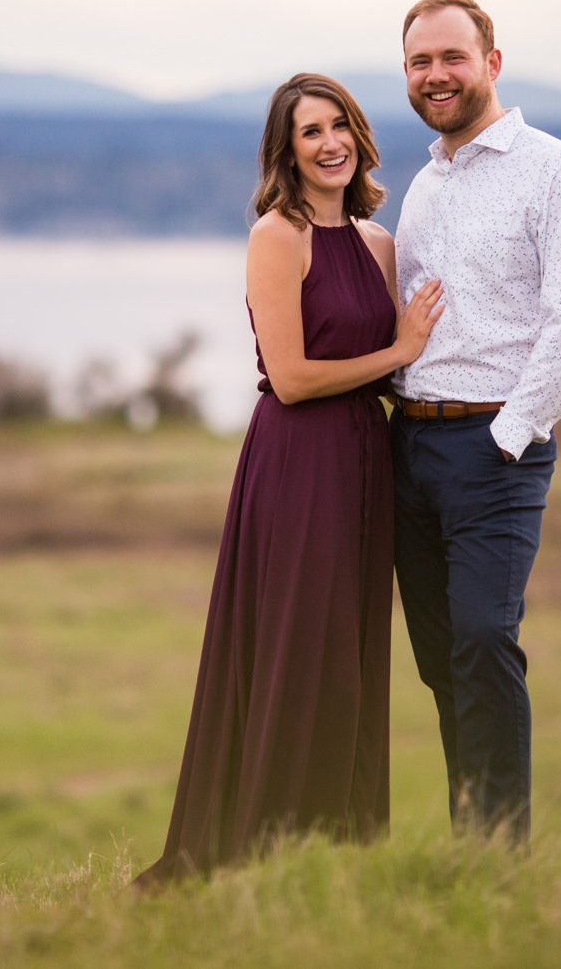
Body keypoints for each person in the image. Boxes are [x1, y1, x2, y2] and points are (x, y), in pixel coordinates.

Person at [136, 74, 444, 883]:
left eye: (340, 125)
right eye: (311, 132)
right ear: (287, 150)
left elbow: (396, 363)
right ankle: (259, 847)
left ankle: (337, 851)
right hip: (298, 460)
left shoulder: (380, 243)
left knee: (347, 650)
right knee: (293, 647)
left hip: (365, 466)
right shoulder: (279, 235)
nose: (330, 142)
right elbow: (295, 375)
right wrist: (400, 352)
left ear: (361, 135)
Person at [389, 0, 561, 843]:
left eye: (452, 57)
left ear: (493, 62)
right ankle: (469, 842)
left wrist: (508, 436)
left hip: (494, 449)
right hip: (409, 443)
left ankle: (501, 858)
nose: (436, 75)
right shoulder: (423, 184)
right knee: (445, 663)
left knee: (485, 642)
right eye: (419, 62)